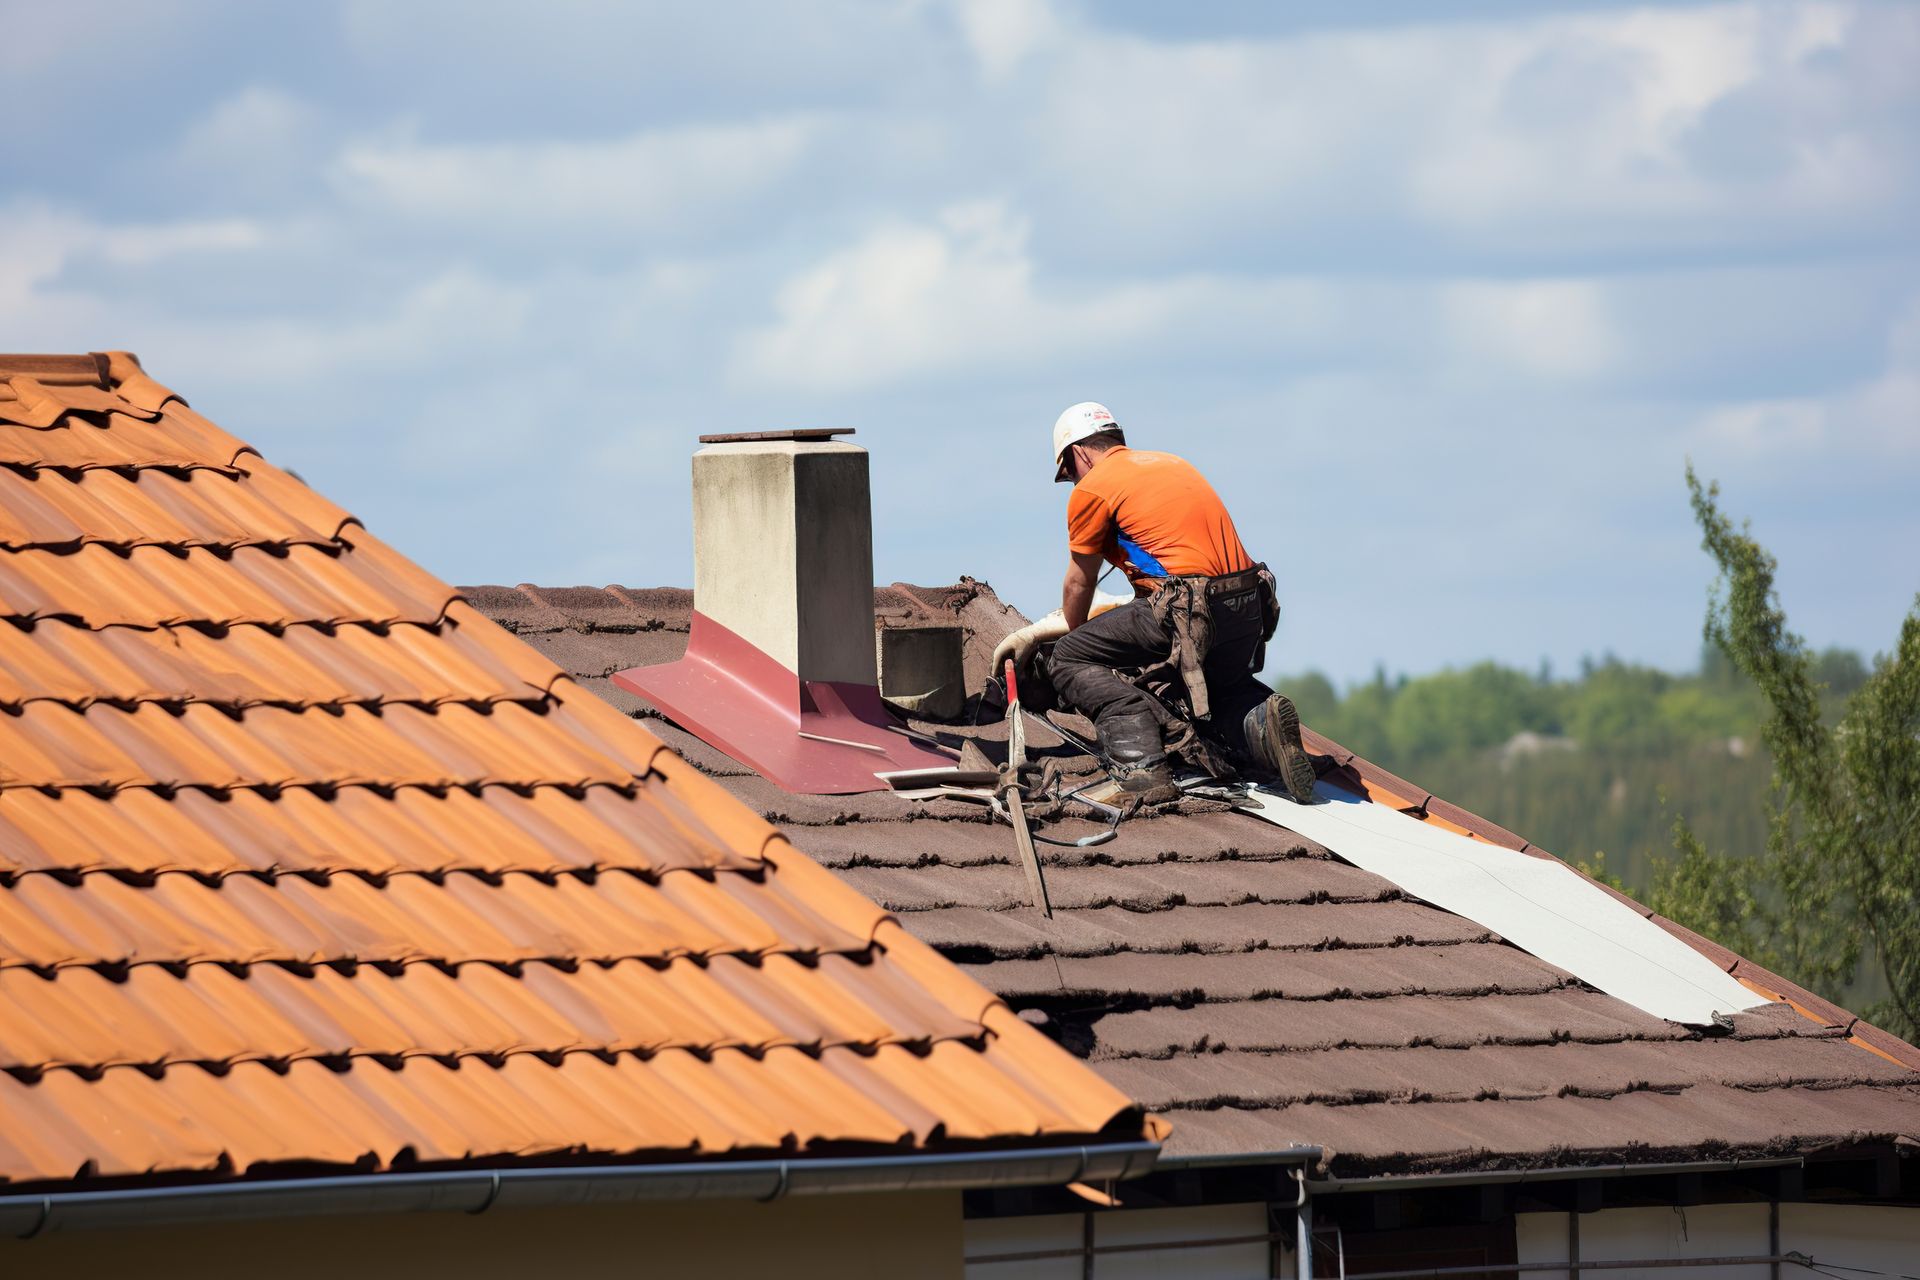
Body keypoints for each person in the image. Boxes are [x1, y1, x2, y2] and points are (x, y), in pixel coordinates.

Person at [993, 402, 1318, 803]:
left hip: (1190, 607)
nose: (1073, 482)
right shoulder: (1171, 464)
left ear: (1078, 453)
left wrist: (1078, 643)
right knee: (1214, 687)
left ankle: (1141, 768)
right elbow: (1156, 584)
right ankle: (1261, 720)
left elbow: (1080, 581)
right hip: (1247, 600)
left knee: (1069, 657)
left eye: (1068, 472)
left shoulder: (1094, 488)